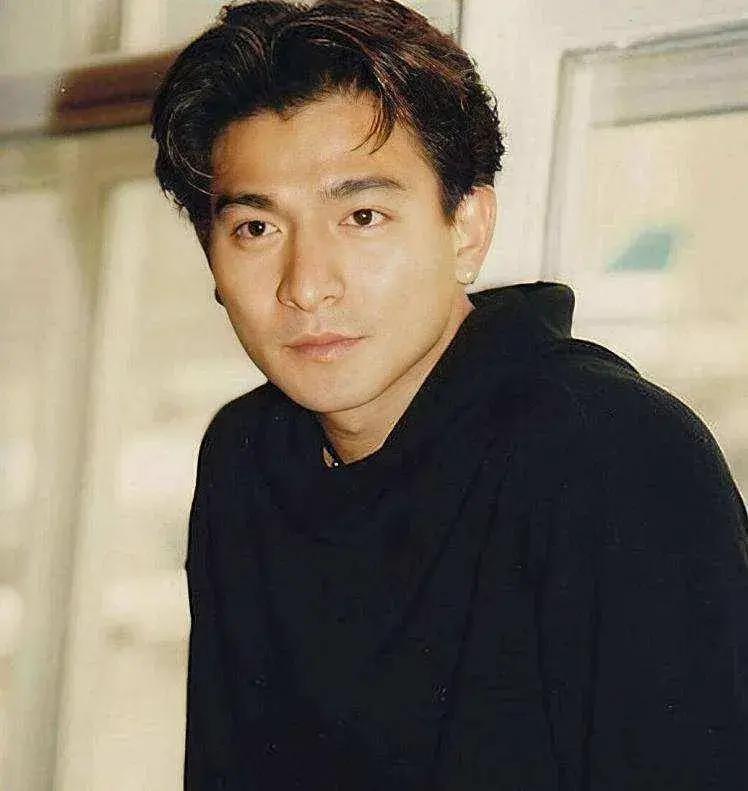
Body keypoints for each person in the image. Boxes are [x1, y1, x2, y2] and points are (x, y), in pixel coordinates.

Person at [150, 1, 748, 788]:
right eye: (257, 229)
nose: (307, 285)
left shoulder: (609, 450)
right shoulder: (246, 453)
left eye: (362, 215)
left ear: (466, 229)